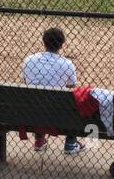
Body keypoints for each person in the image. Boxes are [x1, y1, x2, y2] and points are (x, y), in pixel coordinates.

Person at [21, 26, 84, 155]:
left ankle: (39, 140)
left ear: (43, 42)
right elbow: (71, 87)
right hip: (58, 113)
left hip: (32, 112)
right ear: (62, 45)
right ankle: (70, 142)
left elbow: (27, 82)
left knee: (37, 97)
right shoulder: (67, 64)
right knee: (74, 100)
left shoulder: (29, 60)